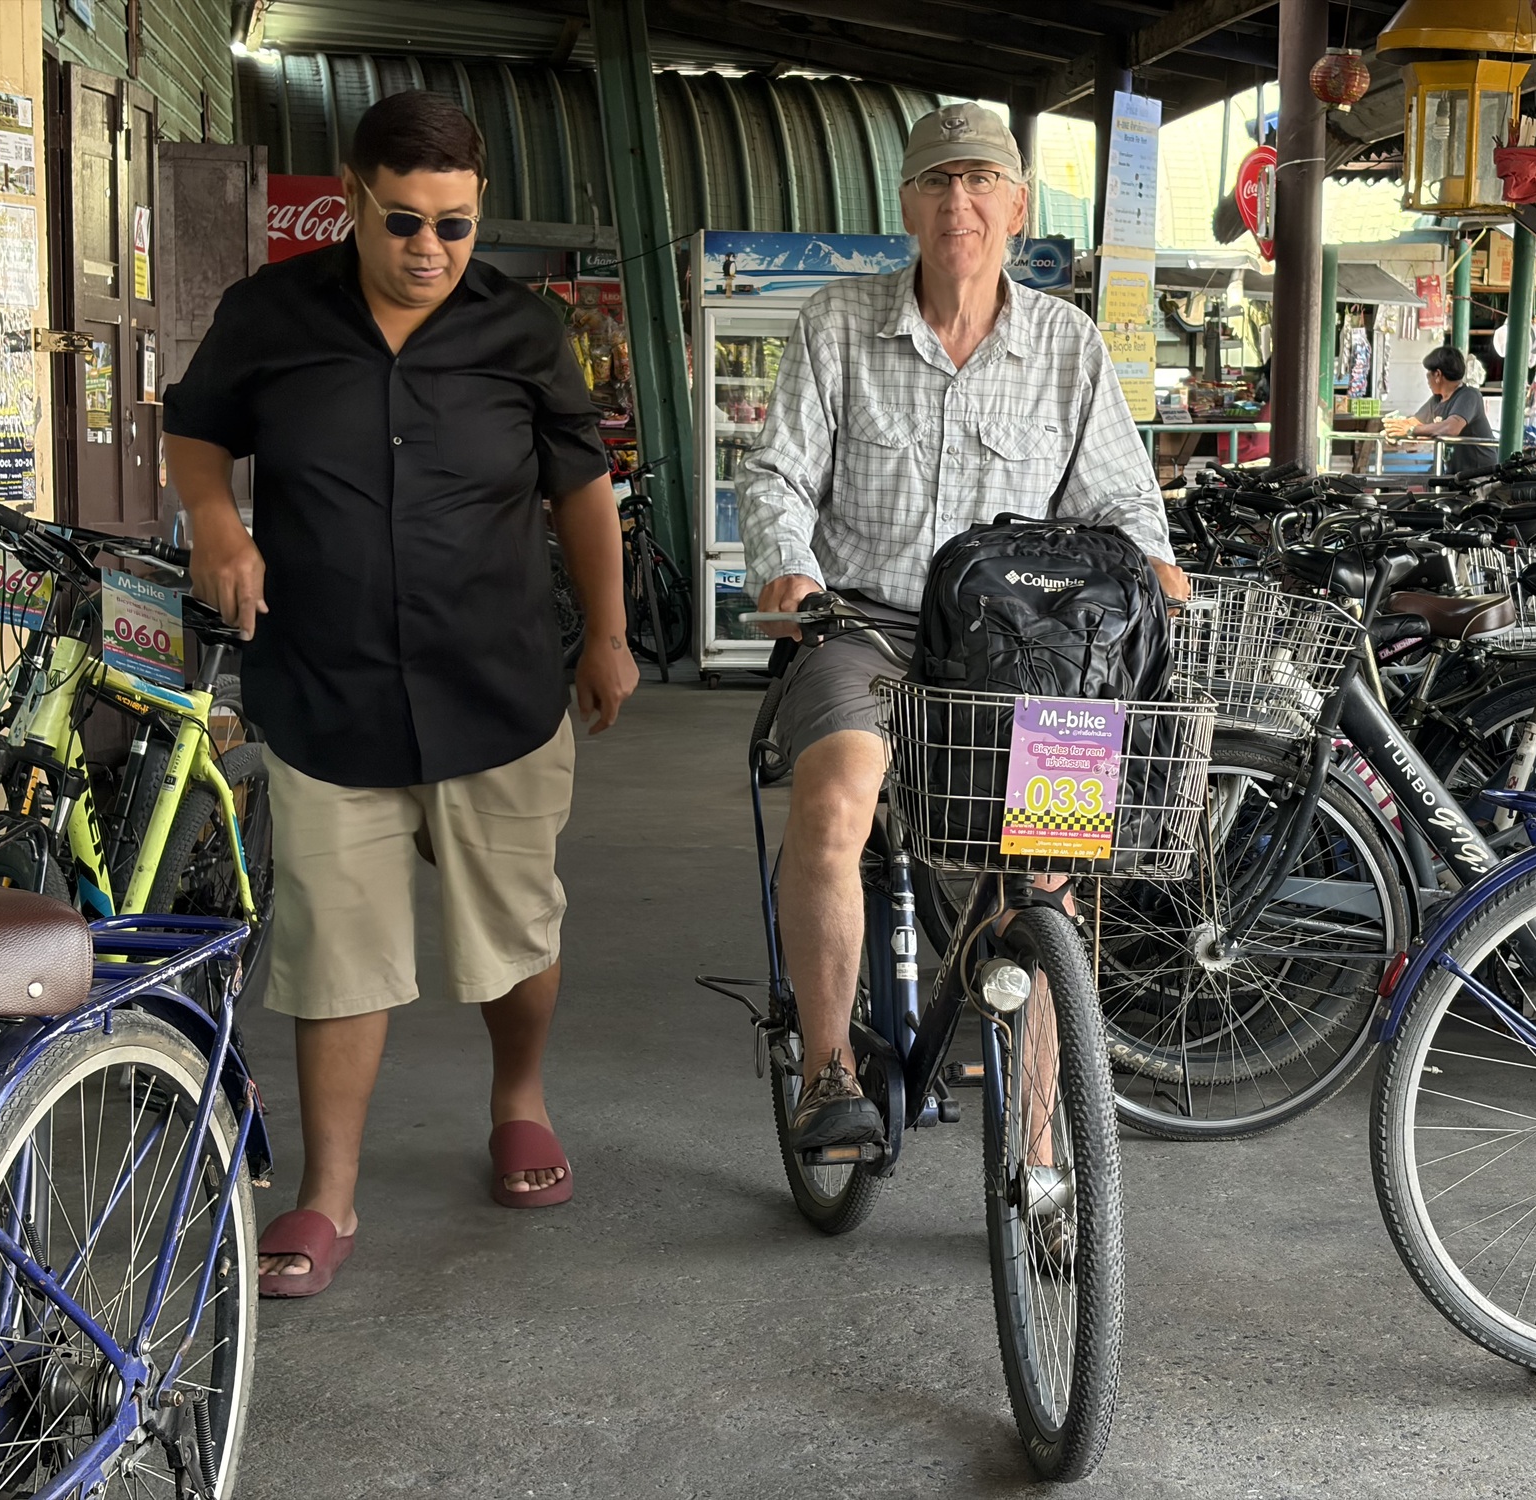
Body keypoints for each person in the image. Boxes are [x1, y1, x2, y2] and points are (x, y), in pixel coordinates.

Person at [163, 91, 636, 1297]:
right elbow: (197, 428)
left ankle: (517, 1099)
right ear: (354, 196)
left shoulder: (523, 330)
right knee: (336, 947)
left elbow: (580, 488)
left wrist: (608, 635)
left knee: (514, 930)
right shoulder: (269, 314)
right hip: (326, 691)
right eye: (404, 221)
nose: (430, 249)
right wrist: (215, 519)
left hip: (497, 687)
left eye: (455, 225)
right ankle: (328, 1193)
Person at [737, 103, 1187, 1149]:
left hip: (1022, 648)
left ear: (1016, 206)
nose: (960, 203)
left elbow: (1121, 496)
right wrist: (788, 568)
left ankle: (1041, 1149)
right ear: (907, 204)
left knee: (1046, 876)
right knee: (836, 800)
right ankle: (828, 1071)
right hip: (866, 626)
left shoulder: (1066, 343)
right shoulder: (838, 323)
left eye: (981, 181)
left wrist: (1151, 559)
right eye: (938, 182)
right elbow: (778, 473)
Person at [1390, 345, 1494, 477]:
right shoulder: (1437, 400)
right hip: (1456, 473)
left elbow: (1451, 428)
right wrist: (1395, 431)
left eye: (1428, 374)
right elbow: (1415, 422)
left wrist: (1412, 430)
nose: (1427, 381)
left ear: (1438, 375)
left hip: (1481, 474)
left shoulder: (1469, 395)